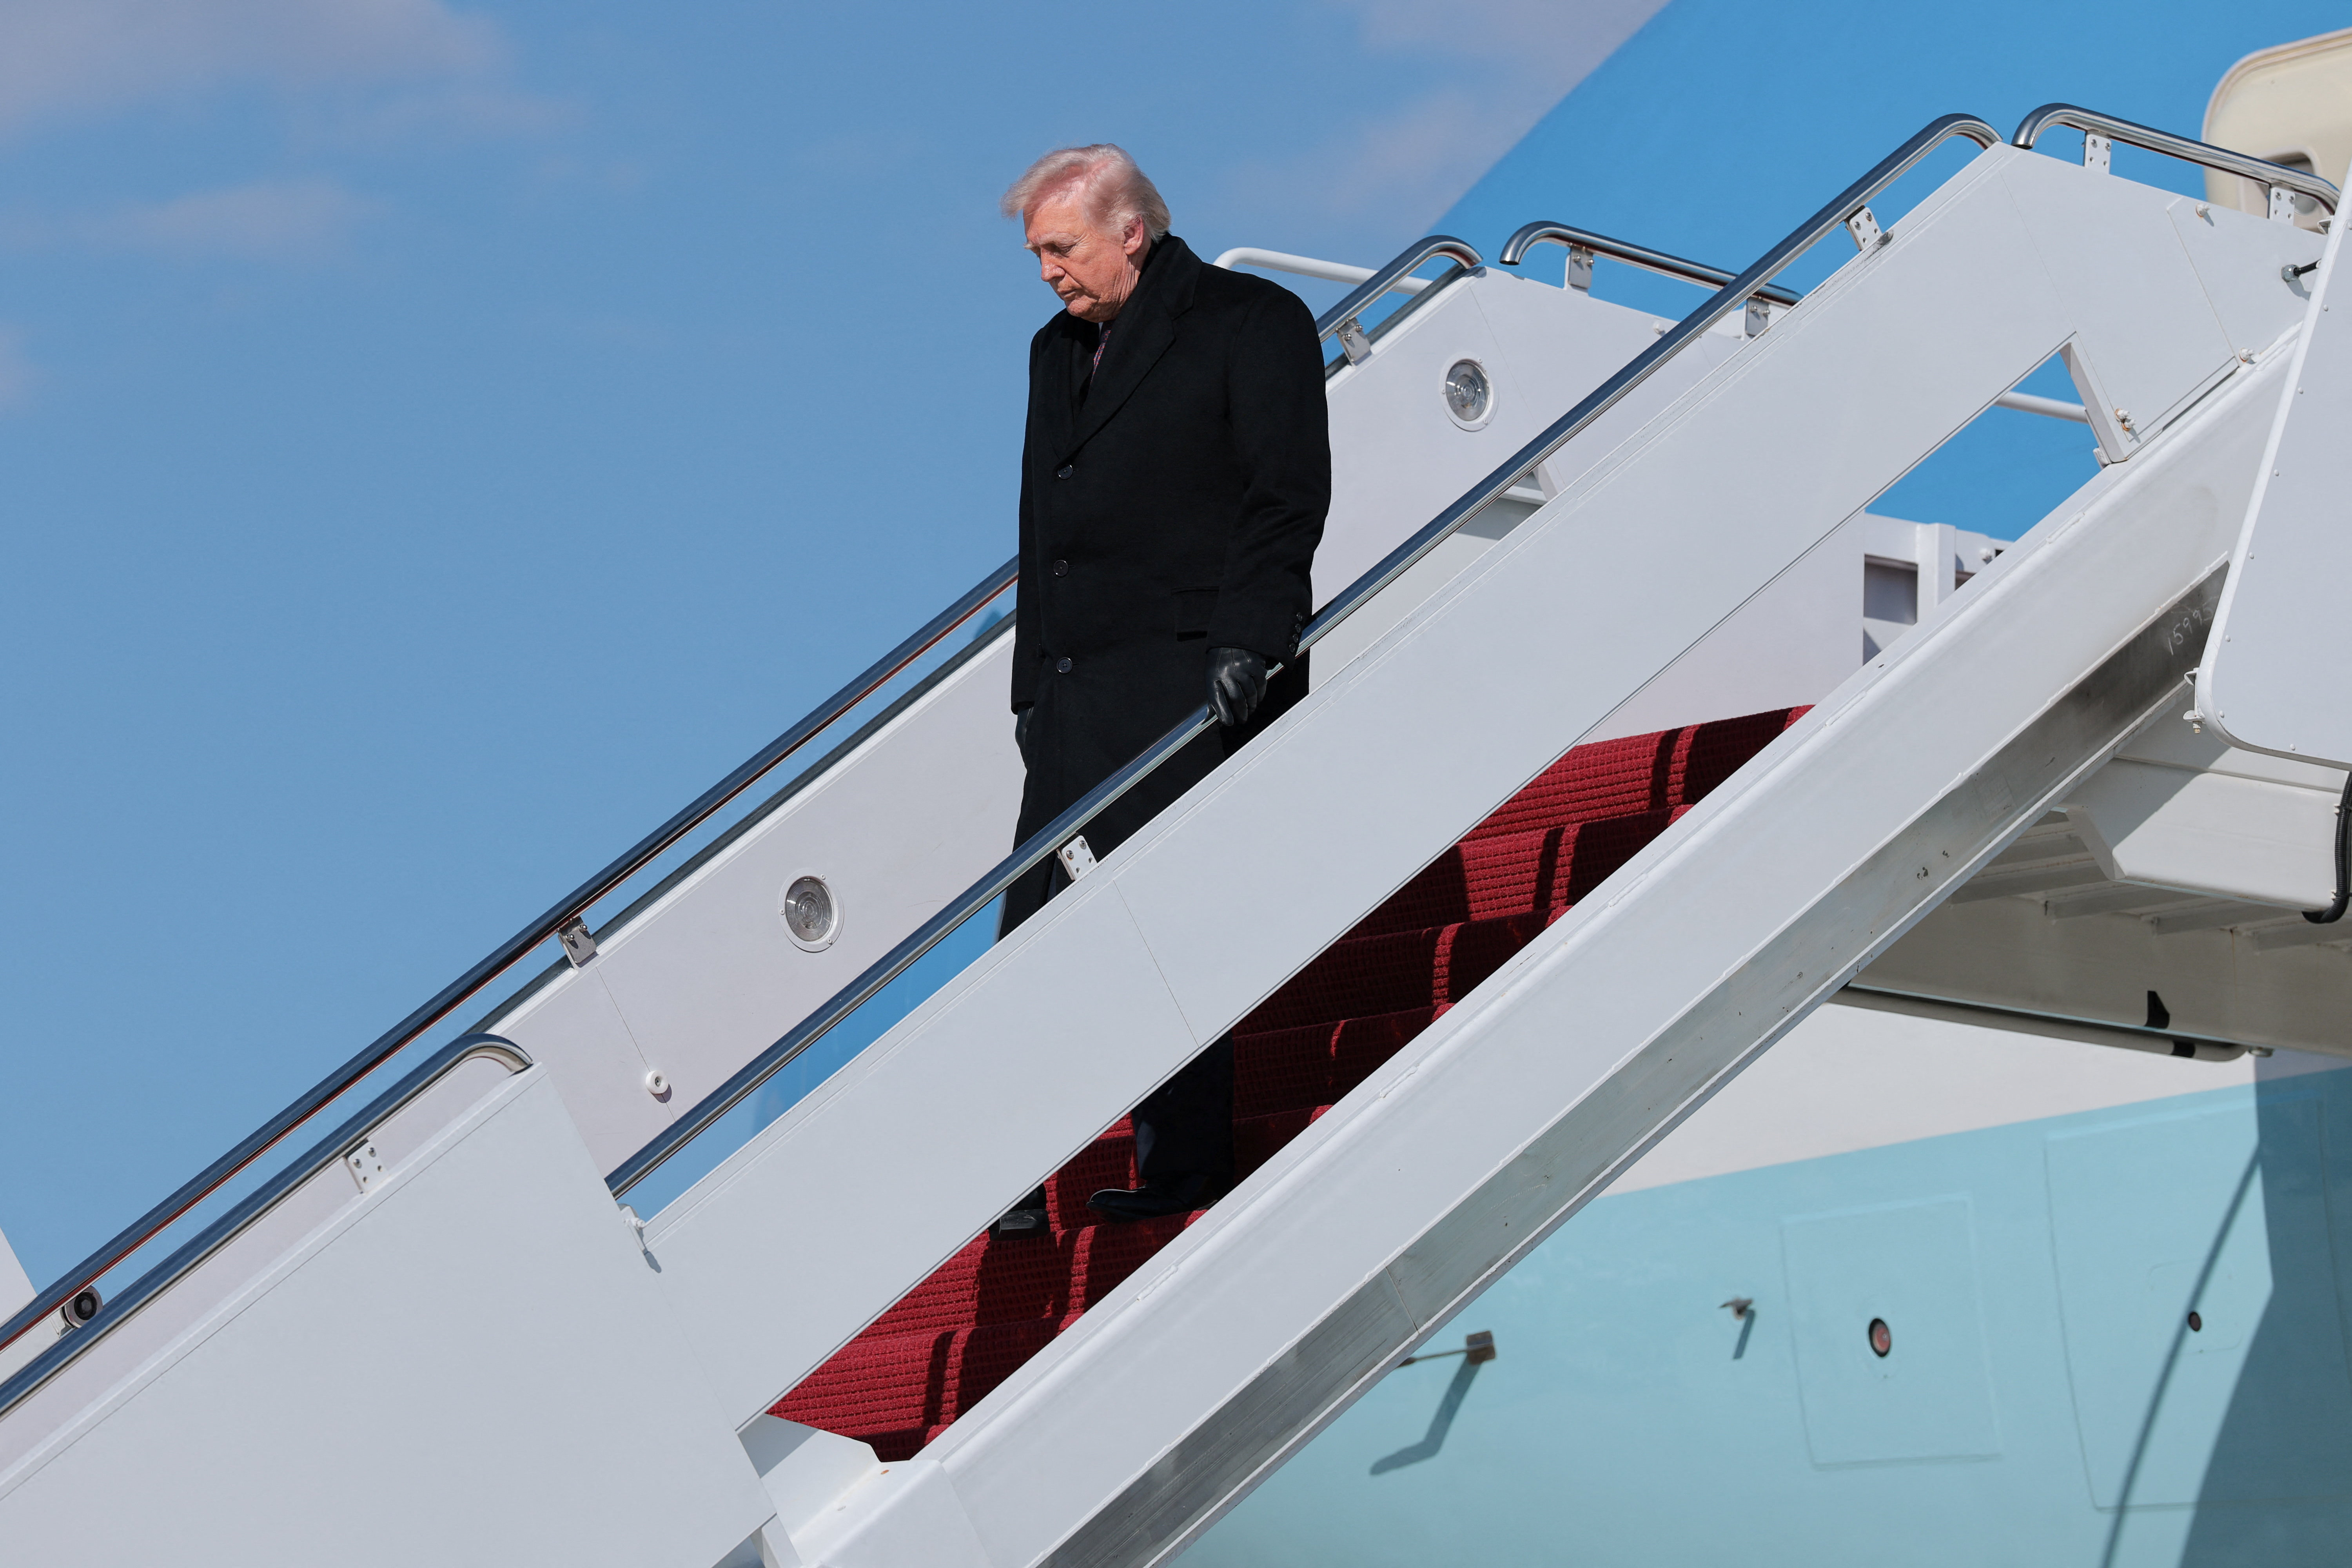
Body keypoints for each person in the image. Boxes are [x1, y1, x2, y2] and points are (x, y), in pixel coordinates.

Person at [992, 144, 1328, 1230]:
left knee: (1174, 929)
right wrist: (1029, 685)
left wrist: (1252, 640)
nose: (1047, 271)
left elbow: (1286, 497)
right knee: (1035, 939)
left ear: (1131, 231)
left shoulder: (1252, 321)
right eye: (1039, 251)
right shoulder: (1056, 351)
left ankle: (1182, 1171)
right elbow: (1041, 527)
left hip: (1199, 679)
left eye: (1062, 247)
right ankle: (1002, 1180)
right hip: (1078, 690)